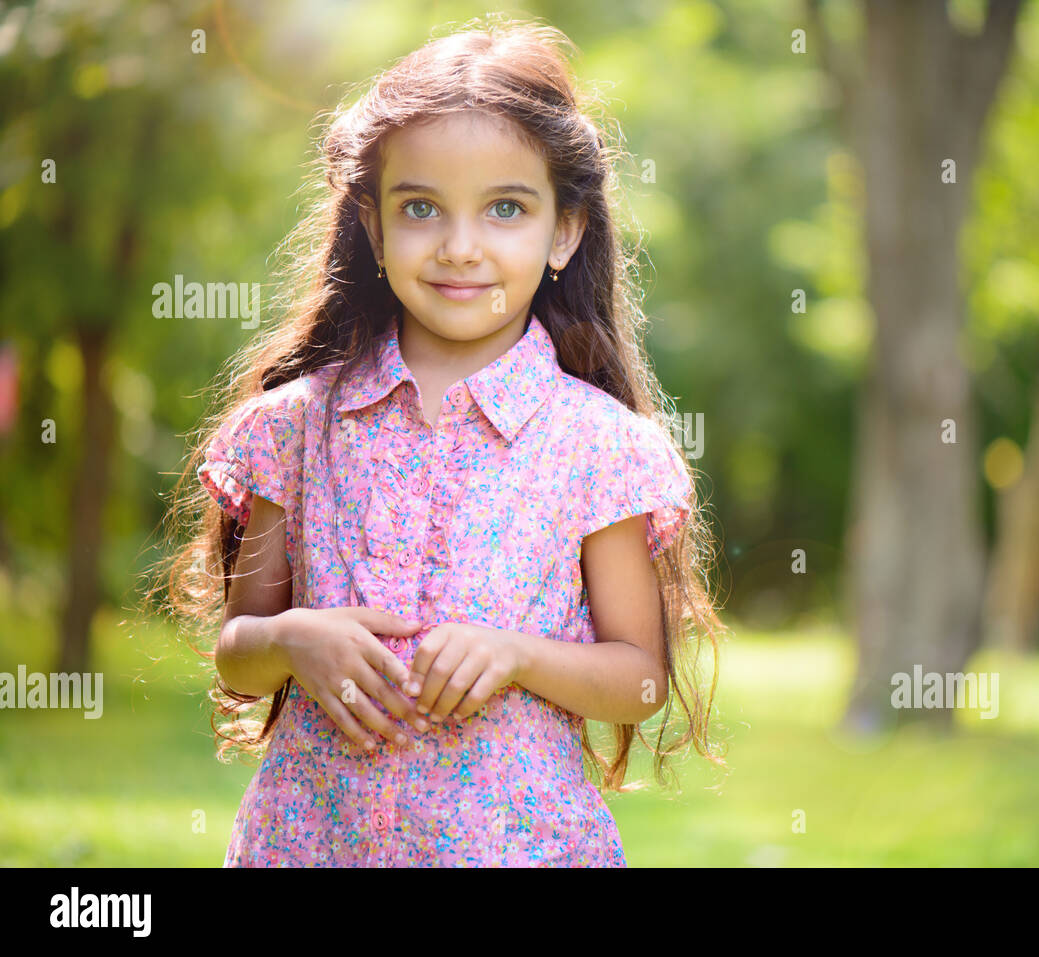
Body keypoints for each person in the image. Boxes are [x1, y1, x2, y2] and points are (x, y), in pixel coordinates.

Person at [162, 16, 727, 867]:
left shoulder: (601, 447)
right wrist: (290, 639)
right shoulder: (295, 427)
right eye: (421, 207)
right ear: (374, 223)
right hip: (312, 842)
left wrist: (518, 655)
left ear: (565, 230)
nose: (461, 247)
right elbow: (238, 652)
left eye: (506, 208)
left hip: (522, 848)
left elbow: (639, 680)